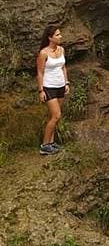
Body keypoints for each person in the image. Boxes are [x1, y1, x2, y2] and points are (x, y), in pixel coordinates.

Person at [36, 25, 69, 155]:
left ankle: (51, 142)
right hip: (49, 87)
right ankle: (44, 146)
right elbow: (39, 72)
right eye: (57, 35)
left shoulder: (61, 49)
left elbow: (63, 67)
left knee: (53, 116)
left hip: (60, 85)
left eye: (60, 34)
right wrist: (41, 90)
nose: (60, 36)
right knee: (56, 115)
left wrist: (66, 83)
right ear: (50, 38)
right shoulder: (43, 53)